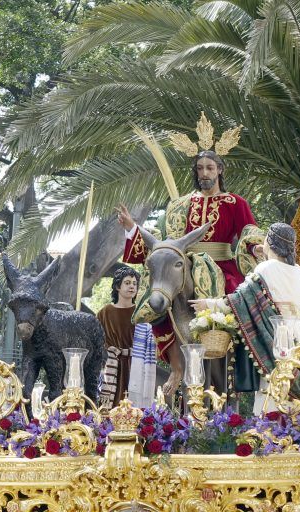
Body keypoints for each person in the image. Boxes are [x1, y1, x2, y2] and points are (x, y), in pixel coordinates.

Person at [116, 149, 263, 395]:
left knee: (240, 305)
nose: (204, 173)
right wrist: (133, 228)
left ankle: (233, 373)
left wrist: (256, 246)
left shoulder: (236, 203)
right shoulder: (180, 205)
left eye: (210, 167)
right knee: (156, 303)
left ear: (219, 170)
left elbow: (249, 231)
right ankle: (177, 367)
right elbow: (163, 243)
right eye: (200, 168)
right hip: (184, 267)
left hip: (222, 268)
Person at [190, 223, 300, 413]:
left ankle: (270, 430)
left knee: (272, 385)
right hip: (299, 333)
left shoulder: (266, 267)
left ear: (269, 243)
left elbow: (241, 298)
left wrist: (210, 304)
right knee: (291, 383)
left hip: (276, 332)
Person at [97, 267, 155, 410]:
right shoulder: (104, 313)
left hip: (136, 364)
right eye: (127, 283)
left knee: (136, 408)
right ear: (118, 286)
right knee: (112, 408)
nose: (132, 286)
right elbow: (96, 342)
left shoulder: (142, 313)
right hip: (112, 366)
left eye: (135, 283)